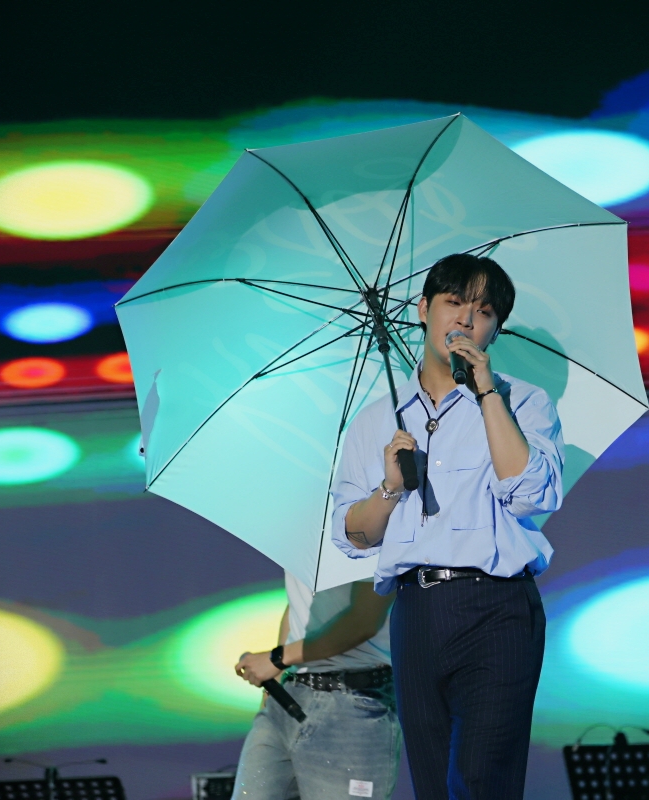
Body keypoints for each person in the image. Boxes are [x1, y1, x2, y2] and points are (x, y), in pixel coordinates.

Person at [330, 253, 562, 799]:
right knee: (435, 787)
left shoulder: (524, 401)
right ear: (423, 309)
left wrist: (486, 393)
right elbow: (353, 534)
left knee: (479, 781)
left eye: (483, 311)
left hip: (496, 606)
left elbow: (532, 495)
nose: (465, 320)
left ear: (495, 329)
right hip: (416, 611)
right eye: (453, 303)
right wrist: (390, 487)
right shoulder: (375, 420)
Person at [231, 571, 398, 799]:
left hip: (353, 709)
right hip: (287, 697)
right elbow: (299, 605)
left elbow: (363, 621)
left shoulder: (376, 547)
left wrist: (277, 659)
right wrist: (275, 683)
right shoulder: (306, 547)